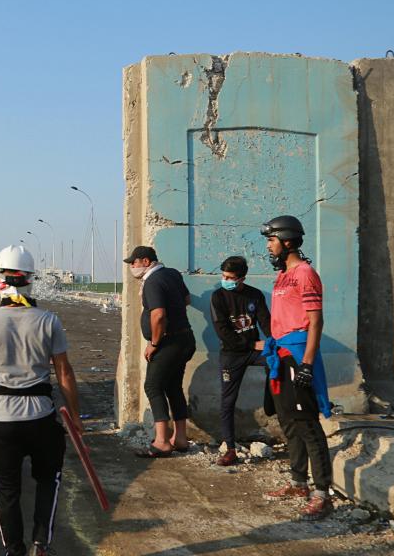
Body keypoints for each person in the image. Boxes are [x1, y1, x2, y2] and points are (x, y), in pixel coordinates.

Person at [0, 245, 81, 556]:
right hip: (41, 417)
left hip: (1, 420)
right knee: (48, 481)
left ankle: (14, 549)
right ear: (30, 279)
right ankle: (41, 545)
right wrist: (75, 416)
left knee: (4, 488)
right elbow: (64, 373)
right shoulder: (49, 320)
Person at [259, 215, 333, 521]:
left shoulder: (305, 274)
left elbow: (316, 321)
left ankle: (322, 494)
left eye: (271, 240)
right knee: (288, 422)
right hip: (281, 354)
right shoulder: (282, 276)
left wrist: (307, 364)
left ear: (287, 241)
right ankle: (298, 482)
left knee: (307, 424)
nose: (268, 246)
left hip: (299, 355)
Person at [125, 245, 195, 458]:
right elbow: (187, 299)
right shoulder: (171, 274)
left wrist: (154, 343)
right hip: (185, 339)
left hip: (168, 343)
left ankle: (162, 441)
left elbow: (158, 315)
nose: (132, 268)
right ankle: (180, 439)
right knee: (173, 387)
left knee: (153, 386)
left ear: (146, 262)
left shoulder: (152, 281)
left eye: (134, 263)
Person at [210, 255, 271, 466]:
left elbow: (267, 324)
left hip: (254, 351)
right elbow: (222, 331)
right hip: (232, 354)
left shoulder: (255, 296)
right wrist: (251, 344)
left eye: (230, 277)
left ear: (242, 278)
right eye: (223, 276)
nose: (225, 280)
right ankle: (230, 449)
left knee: (278, 362)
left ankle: (271, 405)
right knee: (228, 401)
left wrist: (273, 343)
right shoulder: (218, 296)